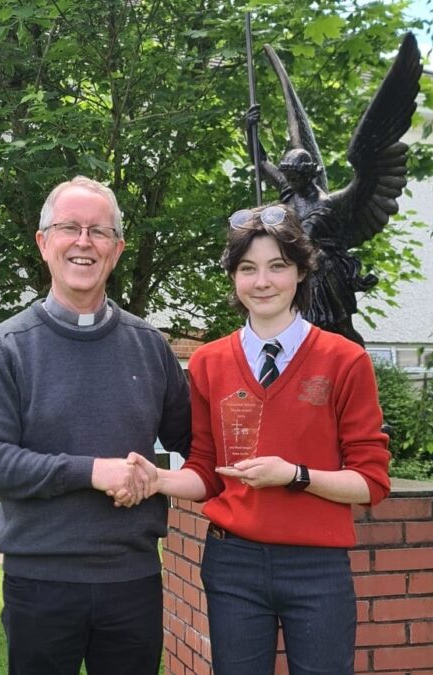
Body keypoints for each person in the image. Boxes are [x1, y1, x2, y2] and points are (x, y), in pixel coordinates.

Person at [118, 203, 391, 675]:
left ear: (302, 271)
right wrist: (158, 479)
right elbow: (206, 469)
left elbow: (371, 483)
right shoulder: (207, 362)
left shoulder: (344, 360)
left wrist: (295, 476)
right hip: (233, 561)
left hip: (317, 566)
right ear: (233, 277)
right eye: (248, 269)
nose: (262, 282)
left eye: (277, 266)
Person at [0, 176, 191, 675]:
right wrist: (91, 472)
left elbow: (198, 443)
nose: (84, 242)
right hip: (40, 583)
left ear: (117, 248)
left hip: (133, 580)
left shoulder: (150, 346)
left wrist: (159, 478)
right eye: (69, 228)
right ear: (44, 243)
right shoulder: (7, 347)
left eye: (99, 231)